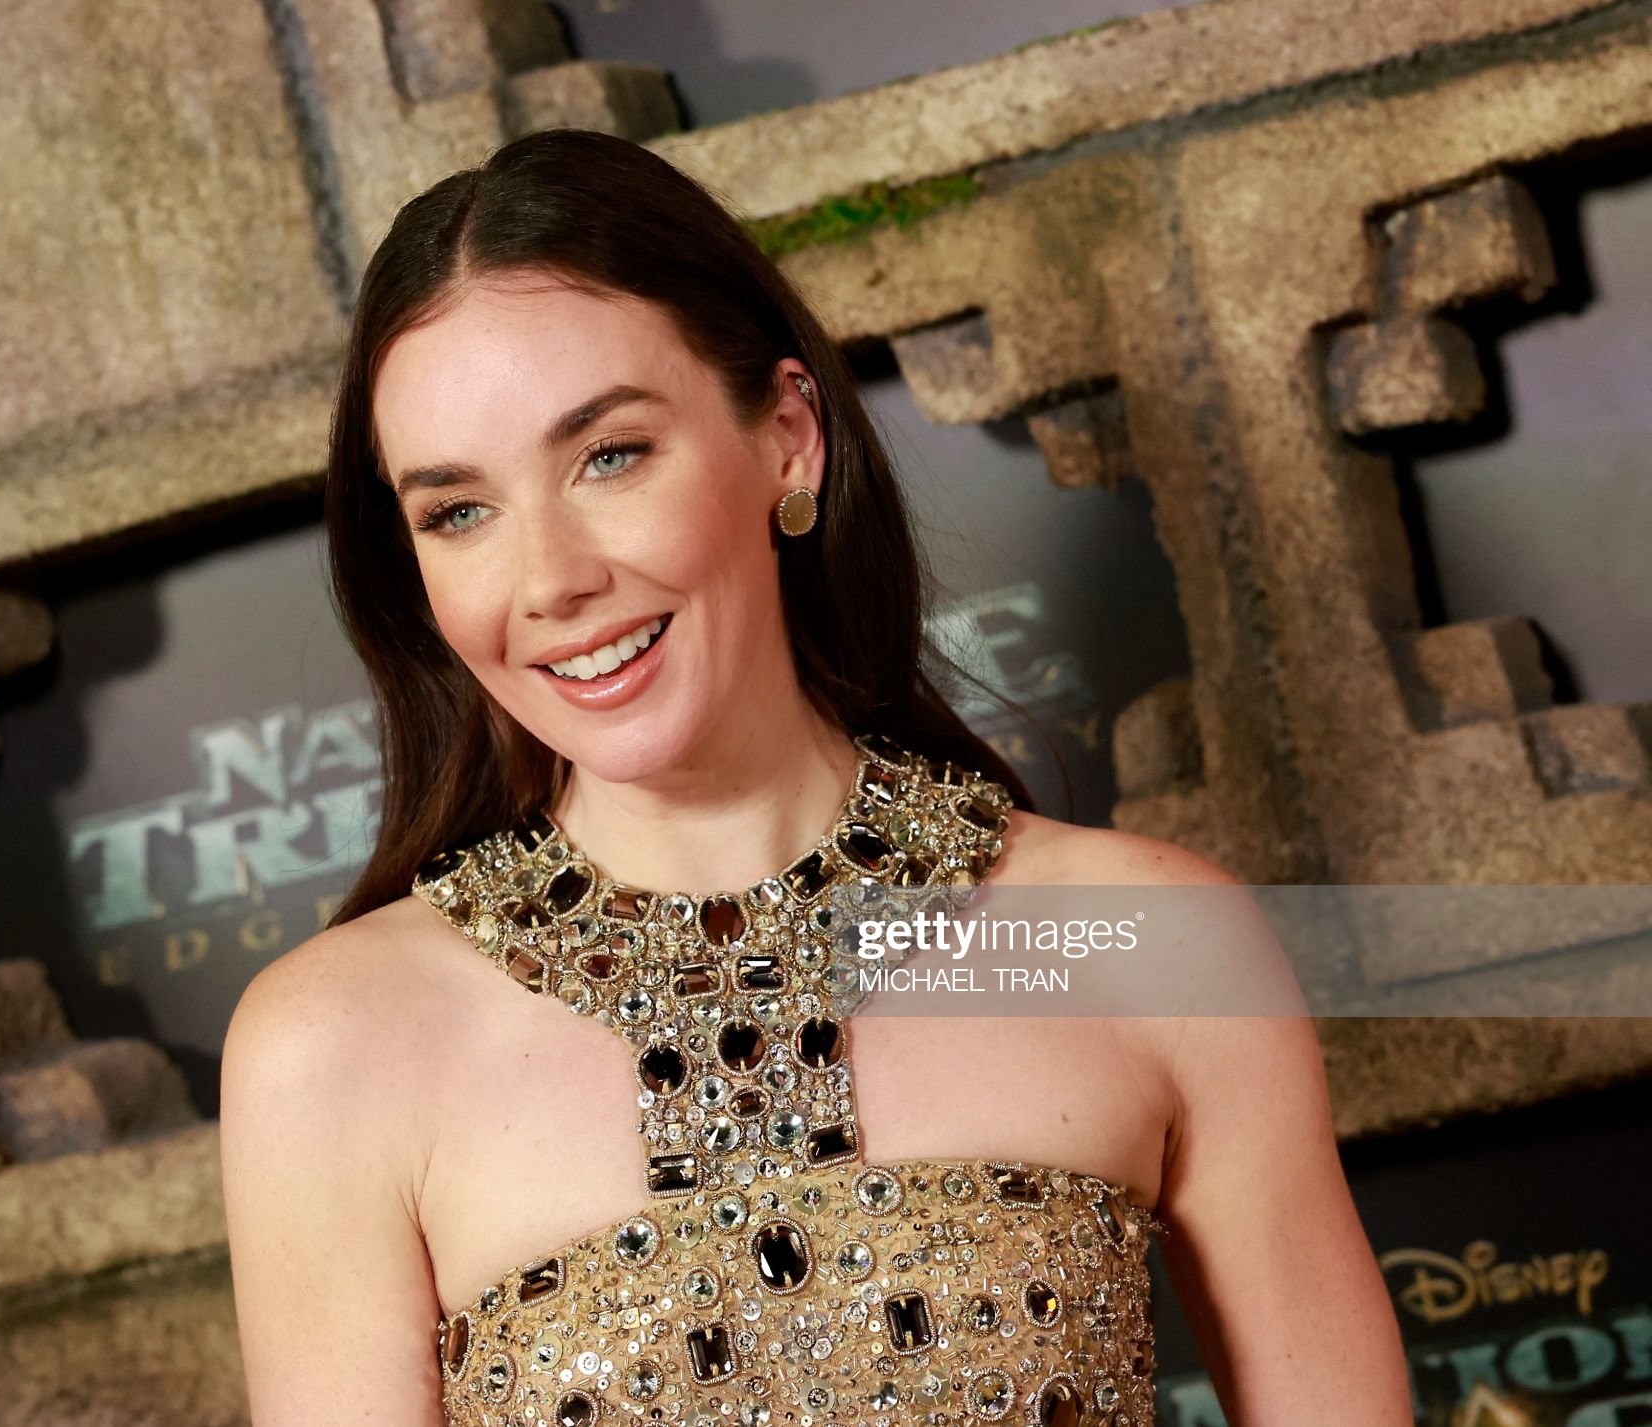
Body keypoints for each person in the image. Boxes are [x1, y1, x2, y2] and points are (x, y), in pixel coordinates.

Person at [219, 128, 1411, 1425]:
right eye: (459, 511)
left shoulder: (1161, 950)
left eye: (609, 456)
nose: (548, 580)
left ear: (788, 435)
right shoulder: (329, 1051)